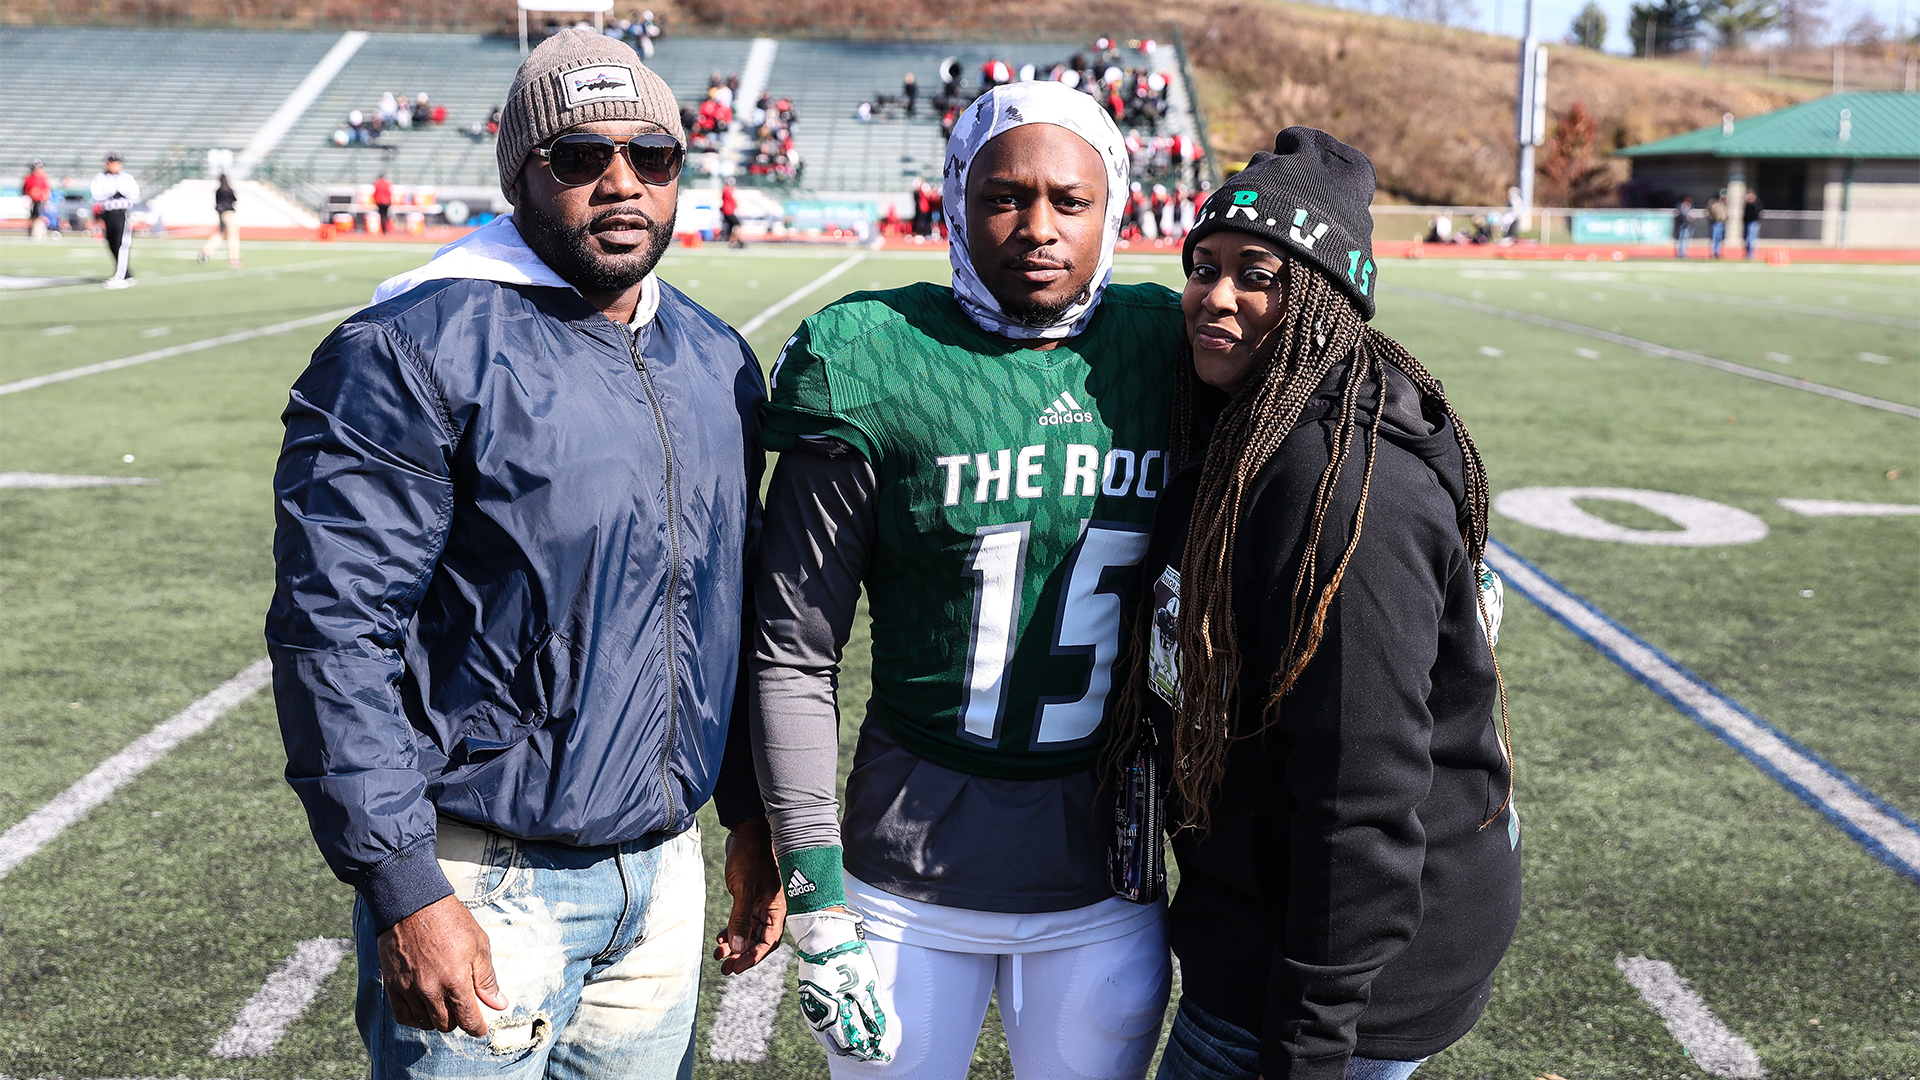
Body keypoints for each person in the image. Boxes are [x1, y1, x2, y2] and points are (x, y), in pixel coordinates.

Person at [267, 30, 780, 1080]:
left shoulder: (715, 354)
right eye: (581, 157)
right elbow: (334, 633)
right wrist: (406, 886)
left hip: (663, 871)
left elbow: (719, 608)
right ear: (521, 172)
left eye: (654, 156)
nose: (623, 183)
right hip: (485, 882)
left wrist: (749, 813)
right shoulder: (412, 346)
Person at [744, 80, 1178, 1079]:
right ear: (955, 196)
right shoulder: (870, 354)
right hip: (905, 878)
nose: (1037, 227)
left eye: (1070, 200)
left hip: (1103, 883)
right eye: (1004, 196)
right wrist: (814, 891)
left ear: (1112, 206)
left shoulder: (1164, 348)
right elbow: (794, 648)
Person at [1125, 127, 1520, 1080]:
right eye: (1203, 266)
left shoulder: (1347, 500)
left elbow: (1364, 799)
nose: (1215, 298)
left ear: (1324, 304)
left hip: (1326, 989)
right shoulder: (1255, 434)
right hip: (1273, 931)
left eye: (1257, 274)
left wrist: (1310, 1047)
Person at [90, 152, 138, 287]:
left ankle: (121, 276)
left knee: (121, 244)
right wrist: (111, 193)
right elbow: (97, 194)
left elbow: (134, 195)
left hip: (122, 213)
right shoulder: (100, 178)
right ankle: (126, 274)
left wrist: (121, 193)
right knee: (112, 244)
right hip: (108, 213)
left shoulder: (127, 178)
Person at [198, 173, 240, 266]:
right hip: (229, 214)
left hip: (221, 214)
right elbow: (234, 200)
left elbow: (217, 204)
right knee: (233, 235)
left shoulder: (219, 191)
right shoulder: (229, 190)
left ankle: (206, 251)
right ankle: (234, 258)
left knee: (220, 234)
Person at [22, 160, 51, 240]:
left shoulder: (43, 177)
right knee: (33, 217)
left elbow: (46, 189)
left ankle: (38, 233)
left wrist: (44, 198)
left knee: (40, 217)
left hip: (40, 200)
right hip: (32, 200)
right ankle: (33, 232)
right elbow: (26, 190)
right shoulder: (29, 178)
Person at [720, 178, 743, 247]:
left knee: (731, 227)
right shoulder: (728, 190)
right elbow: (733, 199)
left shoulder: (724, 189)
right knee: (737, 226)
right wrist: (738, 206)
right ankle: (735, 240)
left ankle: (733, 241)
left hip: (726, 211)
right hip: (729, 211)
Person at [1707, 190, 1729, 259]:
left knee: (1720, 239)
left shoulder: (1724, 205)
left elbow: (1726, 214)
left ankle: (1718, 252)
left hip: (1722, 223)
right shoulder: (1714, 205)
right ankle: (1714, 253)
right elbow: (1711, 213)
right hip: (1716, 223)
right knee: (1715, 239)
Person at [1743, 190, 1765, 259]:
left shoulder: (1756, 204)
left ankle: (1751, 254)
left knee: (1751, 239)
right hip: (1747, 223)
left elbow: (1756, 212)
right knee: (1747, 239)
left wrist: (1752, 203)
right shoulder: (1747, 205)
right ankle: (1747, 253)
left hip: (1753, 223)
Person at [1674, 194, 1694, 258]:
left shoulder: (1690, 206)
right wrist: (1687, 218)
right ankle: (1681, 253)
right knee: (1682, 239)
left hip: (1688, 224)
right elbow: (1682, 215)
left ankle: (1683, 253)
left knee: (1685, 239)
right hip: (1682, 224)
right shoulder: (1681, 205)